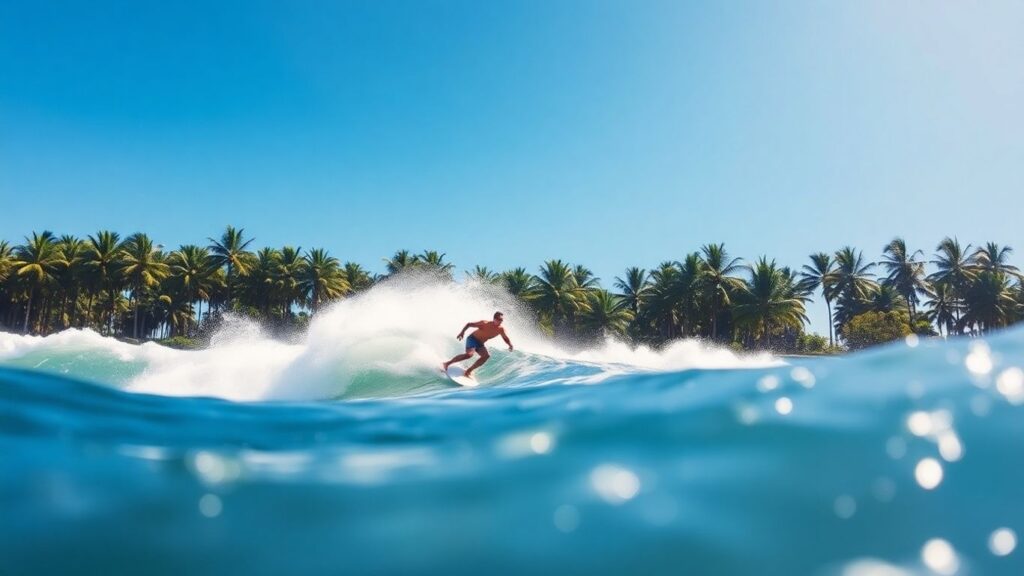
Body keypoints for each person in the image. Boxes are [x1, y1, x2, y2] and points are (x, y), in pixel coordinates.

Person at [442, 311, 513, 378]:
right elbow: (469, 324)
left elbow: (505, 338)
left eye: (502, 320)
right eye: (499, 319)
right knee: (469, 355)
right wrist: (462, 332)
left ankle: (468, 371)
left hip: (480, 343)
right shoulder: (484, 323)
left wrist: (510, 345)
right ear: (494, 319)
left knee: (486, 356)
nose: (500, 321)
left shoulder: (501, 329)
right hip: (472, 339)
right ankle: (447, 364)